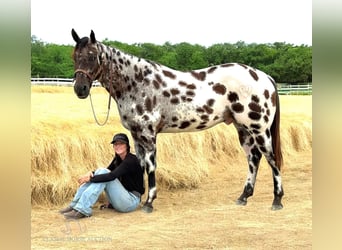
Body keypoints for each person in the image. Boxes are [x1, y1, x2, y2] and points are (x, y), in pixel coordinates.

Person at [59, 133, 145, 219]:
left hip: (131, 202)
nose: (118, 146)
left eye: (121, 143)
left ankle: (82, 209)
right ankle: (74, 205)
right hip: (121, 199)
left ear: (127, 145)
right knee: (101, 171)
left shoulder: (131, 160)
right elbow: (104, 173)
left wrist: (90, 179)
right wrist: (92, 172)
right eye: (115, 144)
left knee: (102, 173)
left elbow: (111, 176)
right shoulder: (117, 159)